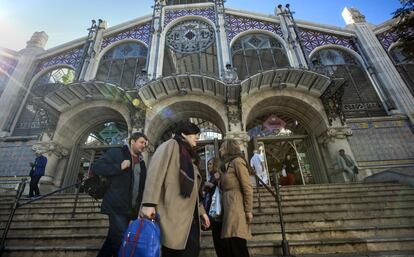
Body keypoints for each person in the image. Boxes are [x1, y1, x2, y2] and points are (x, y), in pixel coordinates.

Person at [140, 121, 210, 257]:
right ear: (183, 134)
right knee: (175, 251)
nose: (197, 137)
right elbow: (155, 173)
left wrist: (202, 212)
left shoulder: (188, 155)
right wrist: (149, 204)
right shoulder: (170, 146)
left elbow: (194, 188)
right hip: (173, 213)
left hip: (190, 215)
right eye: (195, 134)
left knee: (190, 251)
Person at [91, 132, 148, 257]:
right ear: (132, 141)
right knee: (122, 239)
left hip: (131, 208)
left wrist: (141, 207)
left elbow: (141, 187)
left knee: (112, 239)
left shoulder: (142, 162)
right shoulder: (117, 153)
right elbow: (97, 167)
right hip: (116, 205)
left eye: (145, 144)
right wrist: (119, 166)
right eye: (141, 142)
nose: (144, 146)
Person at [219, 139, 253, 257]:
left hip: (236, 204)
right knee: (231, 243)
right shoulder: (227, 164)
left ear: (229, 148)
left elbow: (247, 187)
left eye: (222, 147)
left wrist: (248, 210)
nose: (220, 150)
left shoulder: (237, 162)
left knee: (237, 242)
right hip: (228, 205)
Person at [203, 157, 226, 257]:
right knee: (217, 240)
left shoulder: (217, 175)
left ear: (216, 165)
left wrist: (210, 185)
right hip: (213, 210)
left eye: (211, 164)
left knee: (219, 241)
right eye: (208, 164)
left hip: (218, 211)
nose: (208, 166)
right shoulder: (212, 176)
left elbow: (222, 188)